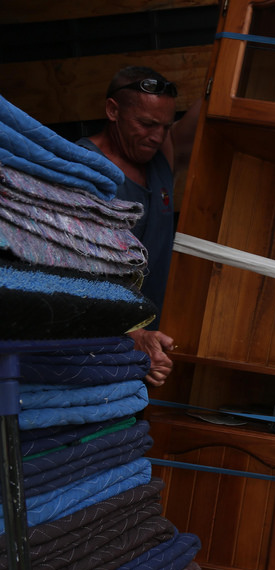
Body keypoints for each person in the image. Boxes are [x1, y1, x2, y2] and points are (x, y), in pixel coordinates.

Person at [78, 66, 200, 387]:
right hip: (97, 348)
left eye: (165, 126)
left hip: (148, 345)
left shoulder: (160, 155)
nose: (157, 136)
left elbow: (212, 107)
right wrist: (133, 335)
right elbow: (74, 275)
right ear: (112, 110)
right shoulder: (82, 169)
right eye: (146, 124)